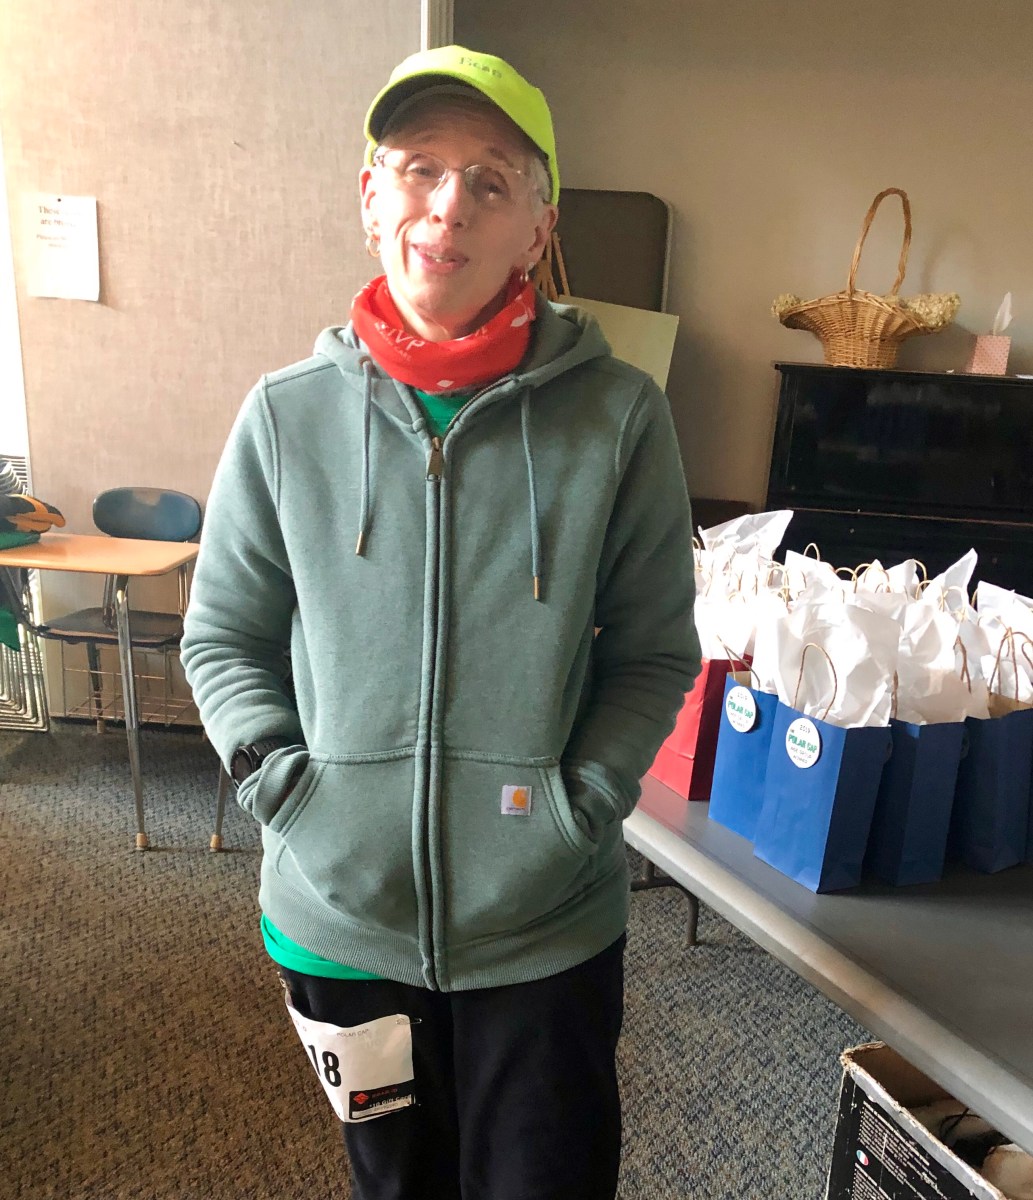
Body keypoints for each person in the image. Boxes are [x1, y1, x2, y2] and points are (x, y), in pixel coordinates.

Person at [181, 44, 700, 1200]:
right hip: (336, 918)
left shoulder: (620, 417)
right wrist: (286, 790)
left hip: (544, 925)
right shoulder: (284, 418)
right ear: (372, 199)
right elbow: (222, 636)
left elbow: (654, 648)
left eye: (490, 180)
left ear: (537, 229)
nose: (448, 206)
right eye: (419, 169)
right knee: (394, 1185)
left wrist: (580, 805)